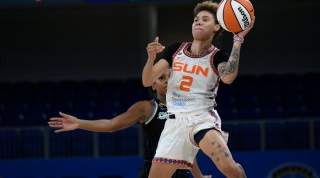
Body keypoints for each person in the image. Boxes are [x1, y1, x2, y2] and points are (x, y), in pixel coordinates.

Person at [141, 0, 254, 178]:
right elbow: (147, 81)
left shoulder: (218, 56)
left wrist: (238, 40)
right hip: (174, 122)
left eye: (205, 19)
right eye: (196, 19)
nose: (198, 22)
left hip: (201, 119)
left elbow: (228, 77)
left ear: (217, 26)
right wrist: (150, 58)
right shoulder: (175, 49)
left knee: (229, 168)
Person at [48, 69, 210, 178]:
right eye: (161, 78)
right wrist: (79, 123)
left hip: (182, 171)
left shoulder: (187, 110)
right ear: (153, 85)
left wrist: (199, 177)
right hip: (154, 170)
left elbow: (188, 151)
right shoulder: (146, 108)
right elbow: (111, 125)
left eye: (170, 77)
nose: (167, 81)